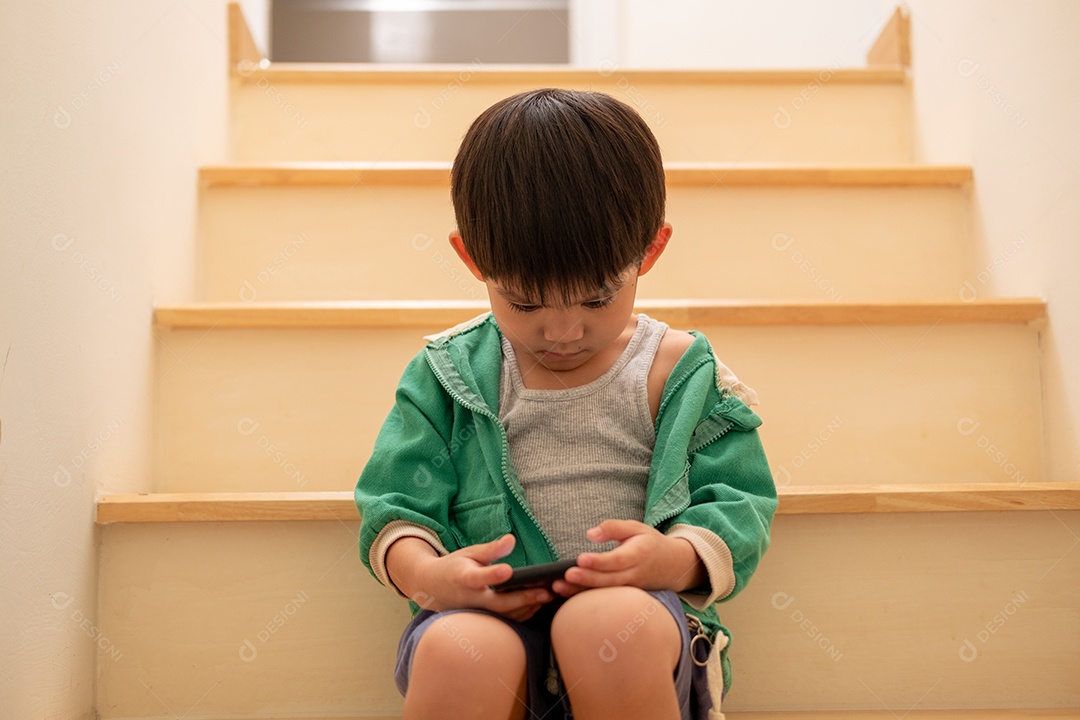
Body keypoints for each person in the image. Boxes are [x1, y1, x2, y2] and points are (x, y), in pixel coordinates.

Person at [355, 88, 777, 720]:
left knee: (604, 627)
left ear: (650, 252)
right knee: (456, 649)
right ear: (472, 259)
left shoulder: (683, 373)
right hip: (489, 618)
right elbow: (394, 505)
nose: (561, 332)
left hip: (635, 624)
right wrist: (429, 579)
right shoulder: (448, 374)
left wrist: (671, 559)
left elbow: (740, 502)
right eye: (525, 303)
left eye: (596, 299)